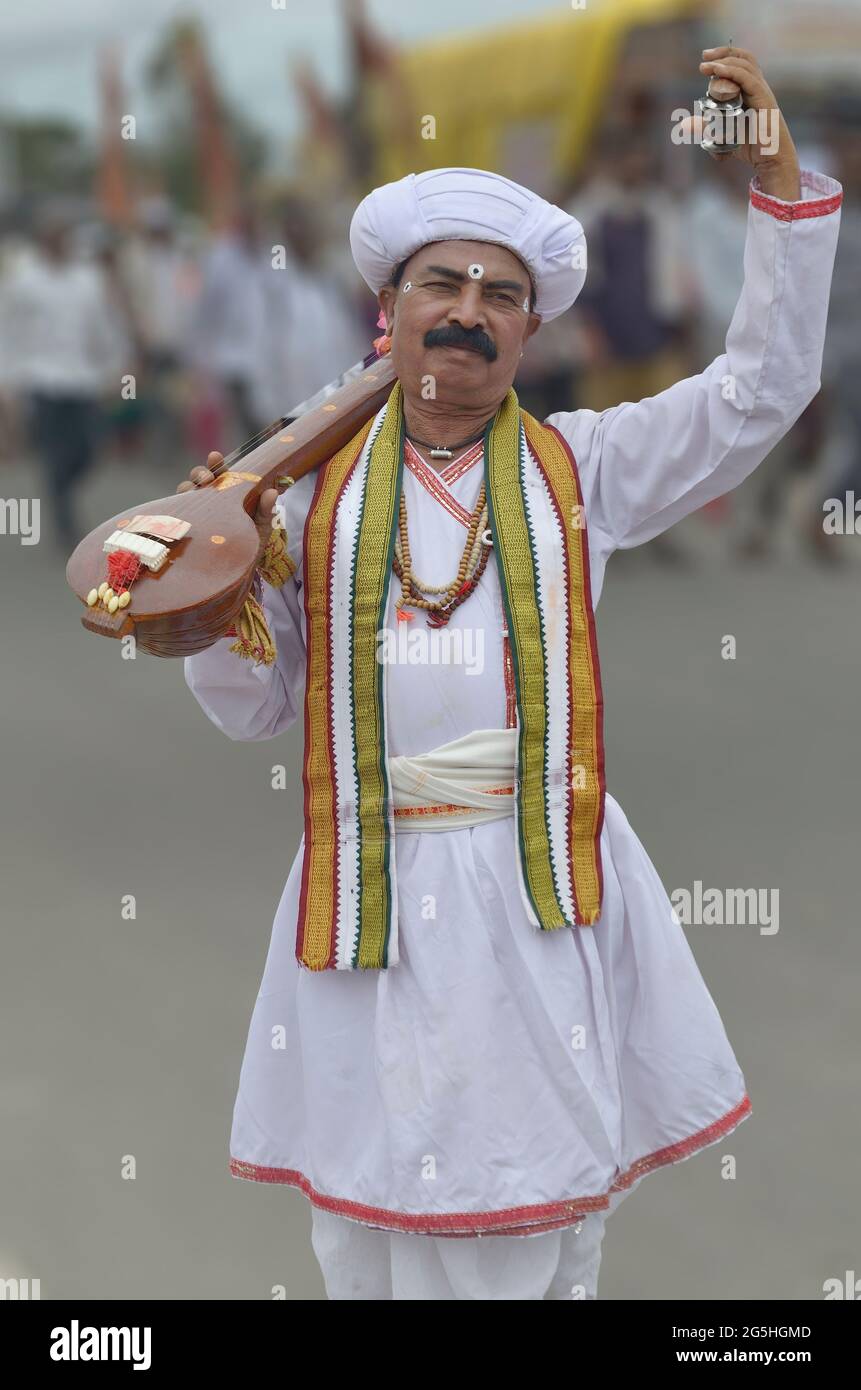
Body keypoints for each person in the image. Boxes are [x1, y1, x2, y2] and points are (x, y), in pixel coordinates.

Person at [179, 46, 841, 1299]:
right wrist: (209, 611)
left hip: (539, 902)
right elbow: (260, 711)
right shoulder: (299, 498)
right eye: (442, 283)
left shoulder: (585, 468)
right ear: (392, 310)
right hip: (366, 905)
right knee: (369, 1241)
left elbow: (764, 391)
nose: (469, 311)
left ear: (532, 333)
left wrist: (778, 195)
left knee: (528, 1229)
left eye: (501, 294)